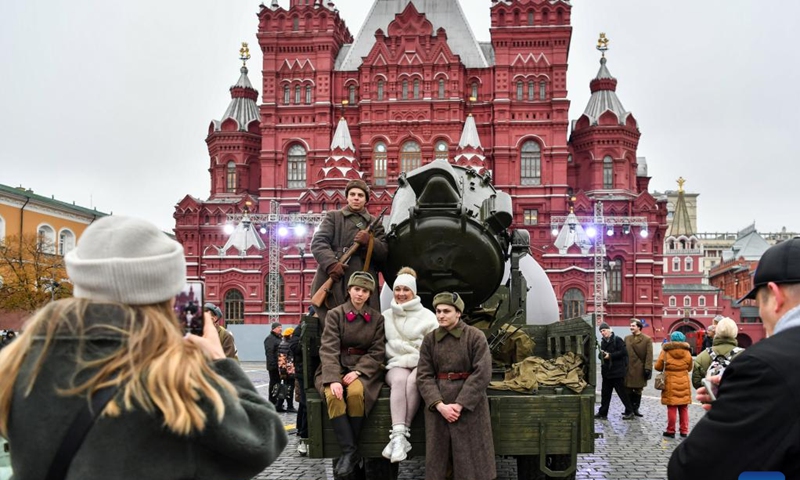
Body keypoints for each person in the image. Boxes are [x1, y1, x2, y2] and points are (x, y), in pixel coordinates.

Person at [0, 216, 287, 479]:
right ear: (167, 294)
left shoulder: (21, 364)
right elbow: (262, 441)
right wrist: (217, 362)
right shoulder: (171, 379)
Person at [669, 237, 800, 479]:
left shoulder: (762, 365)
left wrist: (729, 408)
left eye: (759, 303)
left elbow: (690, 467)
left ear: (775, 295)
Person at [416, 292, 496, 480]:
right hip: (439, 404)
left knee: (471, 459)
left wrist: (460, 404)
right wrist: (439, 405)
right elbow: (423, 375)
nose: (441, 315)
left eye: (446, 311)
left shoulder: (475, 336)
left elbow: (482, 372)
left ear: (458, 313)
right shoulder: (430, 340)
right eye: (438, 311)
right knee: (439, 459)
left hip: (470, 404)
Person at [314, 271, 385, 478]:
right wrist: (334, 379)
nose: (360, 294)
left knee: (355, 394)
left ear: (370, 294)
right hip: (334, 367)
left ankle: (349, 451)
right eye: (357, 289)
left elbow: (377, 351)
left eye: (365, 291)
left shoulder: (377, 319)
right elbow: (328, 349)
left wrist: (358, 371)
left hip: (362, 370)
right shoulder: (336, 314)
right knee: (333, 395)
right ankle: (350, 451)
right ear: (349, 290)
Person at [380, 267, 438, 463]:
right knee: (399, 380)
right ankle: (398, 435)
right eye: (398, 289)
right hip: (396, 363)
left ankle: (401, 436)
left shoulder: (428, 316)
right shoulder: (386, 316)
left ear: (413, 292)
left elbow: (434, 346)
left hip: (421, 364)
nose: (401, 294)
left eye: (406, 290)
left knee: (414, 381)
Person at [309, 179, 388, 322]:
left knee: (364, 319)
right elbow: (318, 242)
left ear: (366, 199)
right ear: (347, 197)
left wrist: (370, 242)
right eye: (352, 194)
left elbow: (384, 252)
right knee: (332, 317)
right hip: (336, 274)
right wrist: (332, 264)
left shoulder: (374, 222)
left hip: (362, 275)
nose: (356, 198)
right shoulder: (334, 217)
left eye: (360, 195)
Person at [654, 331, 692, 438]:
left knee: (672, 407)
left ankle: (670, 431)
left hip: (670, 382)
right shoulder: (687, 352)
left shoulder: (665, 352)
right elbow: (690, 368)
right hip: (684, 381)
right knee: (684, 407)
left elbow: (658, 367)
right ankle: (684, 431)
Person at [595, 323, 636, 420]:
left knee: (622, 393)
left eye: (604, 330)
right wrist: (602, 355)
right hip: (607, 372)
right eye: (601, 331)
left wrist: (610, 356)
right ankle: (603, 413)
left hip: (617, 372)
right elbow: (603, 355)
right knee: (605, 394)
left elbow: (623, 352)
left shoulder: (617, 339)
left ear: (609, 330)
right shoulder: (603, 342)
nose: (602, 333)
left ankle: (630, 411)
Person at [691, 317, 741, 389]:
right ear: (735, 333)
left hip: (710, 398)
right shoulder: (746, 355)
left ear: (716, 331)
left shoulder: (702, 356)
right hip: (736, 399)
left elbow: (696, 382)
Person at [623, 318, 653, 417]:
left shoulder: (647, 339)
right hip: (628, 368)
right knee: (627, 389)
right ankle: (629, 409)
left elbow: (649, 355)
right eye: (630, 326)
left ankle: (635, 409)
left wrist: (648, 368)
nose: (631, 327)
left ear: (639, 327)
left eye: (633, 326)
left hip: (639, 368)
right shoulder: (627, 338)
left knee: (638, 389)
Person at [289, 316, 309, 455]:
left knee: (305, 404)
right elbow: (294, 347)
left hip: (314, 371)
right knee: (305, 403)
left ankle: (302, 431)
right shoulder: (301, 328)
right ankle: (303, 435)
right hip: (303, 372)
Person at [264, 321, 283, 410]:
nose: (281, 329)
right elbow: (270, 353)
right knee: (273, 384)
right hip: (274, 366)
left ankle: (276, 402)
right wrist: (273, 365)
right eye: (279, 327)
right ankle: (272, 401)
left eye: (281, 327)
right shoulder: (270, 339)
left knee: (278, 384)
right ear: (274, 329)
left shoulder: (278, 338)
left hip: (278, 365)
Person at [276, 327, 296, 413]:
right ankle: (289, 406)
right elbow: (287, 358)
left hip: (284, 369)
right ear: (290, 335)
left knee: (285, 386)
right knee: (289, 388)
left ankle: (279, 405)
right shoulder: (289, 344)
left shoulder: (282, 343)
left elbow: (281, 358)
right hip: (289, 369)